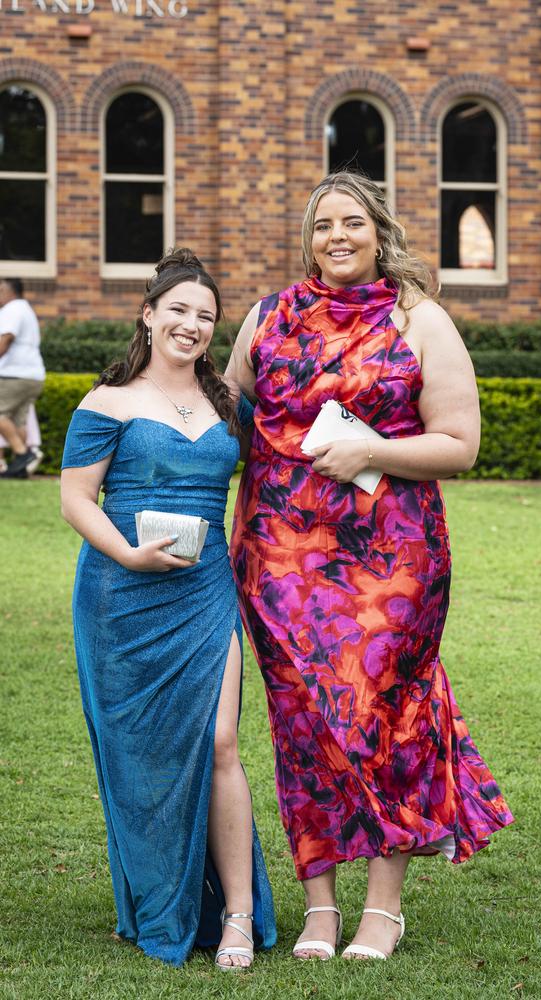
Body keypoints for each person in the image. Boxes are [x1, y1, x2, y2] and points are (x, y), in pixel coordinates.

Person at [227, 172, 514, 962]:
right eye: (324, 225)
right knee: (303, 724)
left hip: (392, 559)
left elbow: (459, 442)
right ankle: (319, 905)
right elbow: (223, 417)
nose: (337, 236)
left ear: (379, 231)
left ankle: (383, 907)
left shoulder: (420, 320)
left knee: (382, 713)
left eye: (352, 222)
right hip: (278, 559)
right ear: (310, 237)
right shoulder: (268, 317)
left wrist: (374, 448)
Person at [60, 248, 276, 969]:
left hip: (205, 589)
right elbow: (73, 500)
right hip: (120, 596)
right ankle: (159, 901)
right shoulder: (106, 402)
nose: (190, 324)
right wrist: (126, 554)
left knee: (219, 743)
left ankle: (238, 916)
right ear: (149, 314)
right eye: (177, 309)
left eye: (205, 315)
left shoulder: (225, 404)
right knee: (138, 755)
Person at [0, 277, 45, 478]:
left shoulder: (13, 309)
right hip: (33, 375)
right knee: (18, 422)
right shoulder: (25, 309)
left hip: (15, 374)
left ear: (6, 290)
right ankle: (19, 469)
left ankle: (22, 454)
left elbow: (6, 339)